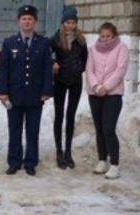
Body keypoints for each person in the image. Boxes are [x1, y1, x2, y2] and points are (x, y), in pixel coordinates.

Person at [0, 5, 53, 176]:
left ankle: (30, 162)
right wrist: (3, 92)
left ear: (35, 22)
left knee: (32, 131)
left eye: (30, 18)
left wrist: (46, 91)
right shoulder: (9, 43)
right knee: (14, 130)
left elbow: (47, 69)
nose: (27, 21)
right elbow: (4, 69)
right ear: (18, 21)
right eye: (24, 18)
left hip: (35, 96)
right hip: (14, 95)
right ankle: (14, 161)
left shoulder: (43, 43)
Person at [86, 22, 129, 180]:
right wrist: (96, 86)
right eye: (102, 36)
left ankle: (115, 164)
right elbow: (89, 69)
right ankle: (102, 160)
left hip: (113, 94)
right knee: (99, 128)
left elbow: (121, 70)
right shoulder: (93, 49)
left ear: (114, 35)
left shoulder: (121, 48)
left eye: (108, 36)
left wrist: (106, 87)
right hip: (95, 93)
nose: (105, 39)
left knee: (108, 128)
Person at [51, 6, 87, 170]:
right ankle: (59, 151)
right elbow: (47, 53)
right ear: (63, 23)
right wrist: (53, 63)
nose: (70, 25)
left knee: (70, 116)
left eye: (73, 22)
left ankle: (68, 152)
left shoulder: (81, 39)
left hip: (75, 82)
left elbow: (85, 58)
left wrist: (79, 67)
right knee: (59, 115)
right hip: (60, 81)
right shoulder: (57, 38)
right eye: (67, 22)